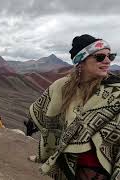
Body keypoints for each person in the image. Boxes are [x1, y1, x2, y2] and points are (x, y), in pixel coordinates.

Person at [27, 34, 119, 179]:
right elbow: (43, 112)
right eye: (100, 57)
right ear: (81, 61)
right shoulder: (61, 87)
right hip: (68, 163)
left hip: (100, 168)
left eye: (111, 56)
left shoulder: (116, 91)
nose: (107, 61)